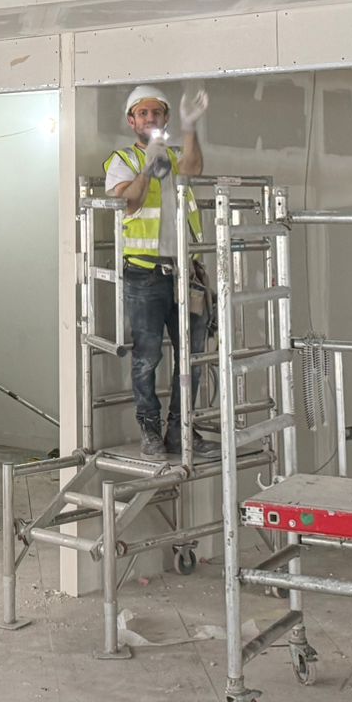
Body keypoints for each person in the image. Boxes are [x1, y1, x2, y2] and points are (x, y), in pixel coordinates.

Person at [104, 84, 209, 462]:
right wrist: (148, 163)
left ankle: (181, 430)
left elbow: (195, 169)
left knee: (193, 356)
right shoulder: (122, 160)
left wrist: (190, 125)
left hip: (186, 274)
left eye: (157, 113)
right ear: (132, 121)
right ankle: (150, 432)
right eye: (143, 114)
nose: (151, 119)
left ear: (165, 119)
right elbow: (128, 199)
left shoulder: (178, 157)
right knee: (147, 358)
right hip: (145, 276)